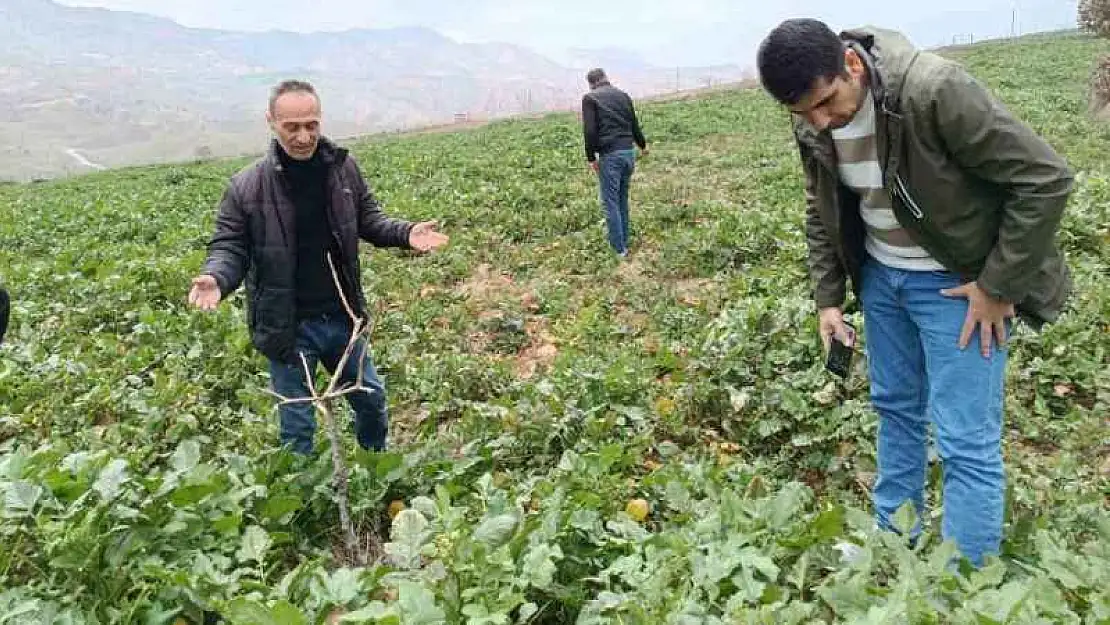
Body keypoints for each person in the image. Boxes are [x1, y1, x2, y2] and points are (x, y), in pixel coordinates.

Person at [756, 19, 1073, 566]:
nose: (819, 122)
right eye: (802, 113)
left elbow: (1044, 178)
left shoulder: (933, 90)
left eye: (827, 103)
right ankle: (893, 539)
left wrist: (998, 287)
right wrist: (828, 299)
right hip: (883, 280)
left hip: (958, 287)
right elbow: (821, 206)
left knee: (964, 438)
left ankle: (964, 581)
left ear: (851, 65)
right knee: (896, 410)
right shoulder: (812, 119)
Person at [188, 79, 449, 455]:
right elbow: (230, 246)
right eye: (291, 126)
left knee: (371, 401)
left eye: (311, 124)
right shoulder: (246, 187)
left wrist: (405, 233)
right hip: (288, 328)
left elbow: (370, 220)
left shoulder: (343, 170)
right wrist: (217, 277)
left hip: (342, 318)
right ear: (271, 122)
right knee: (298, 428)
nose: (302, 136)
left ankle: (375, 471)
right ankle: (303, 504)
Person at [581, 68, 648, 258]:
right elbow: (634, 124)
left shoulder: (590, 98)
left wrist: (591, 157)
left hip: (611, 156)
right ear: (606, 78)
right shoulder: (623, 95)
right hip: (629, 153)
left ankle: (619, 250)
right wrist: (642, 146)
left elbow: (590, 131)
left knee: (611, 203)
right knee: (621, 200)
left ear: (591, 83)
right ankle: (624, 241)